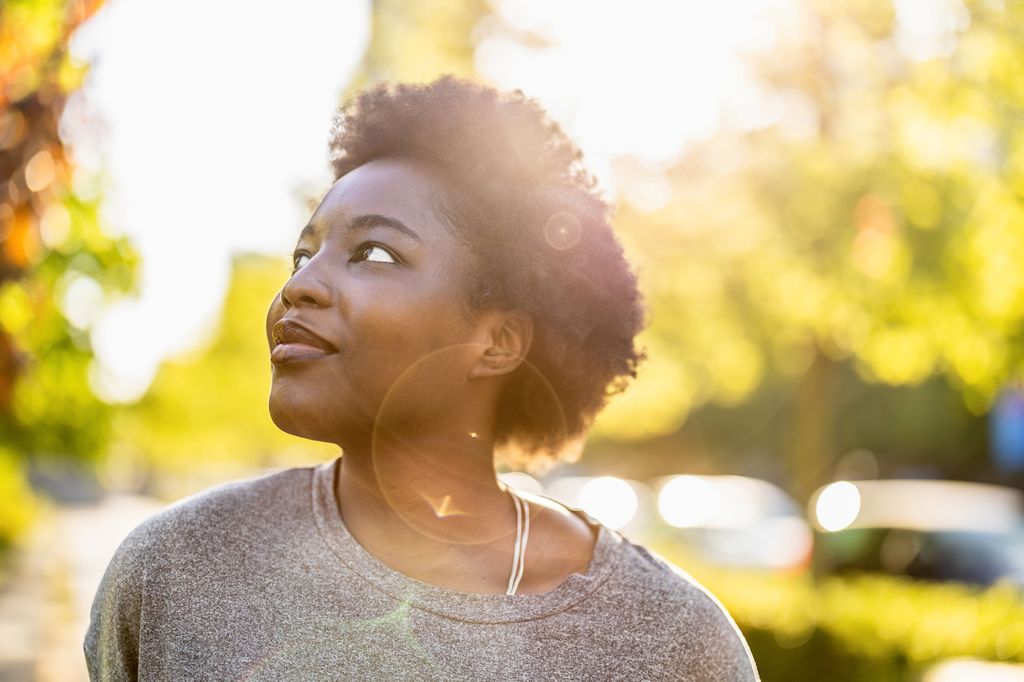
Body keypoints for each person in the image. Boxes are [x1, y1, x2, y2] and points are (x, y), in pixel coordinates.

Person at [84, 76, 760, 681]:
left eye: (373, 252)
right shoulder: (176, 569)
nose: (299, 286)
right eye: (304, 253)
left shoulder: (672, 643)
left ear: (497, 343)